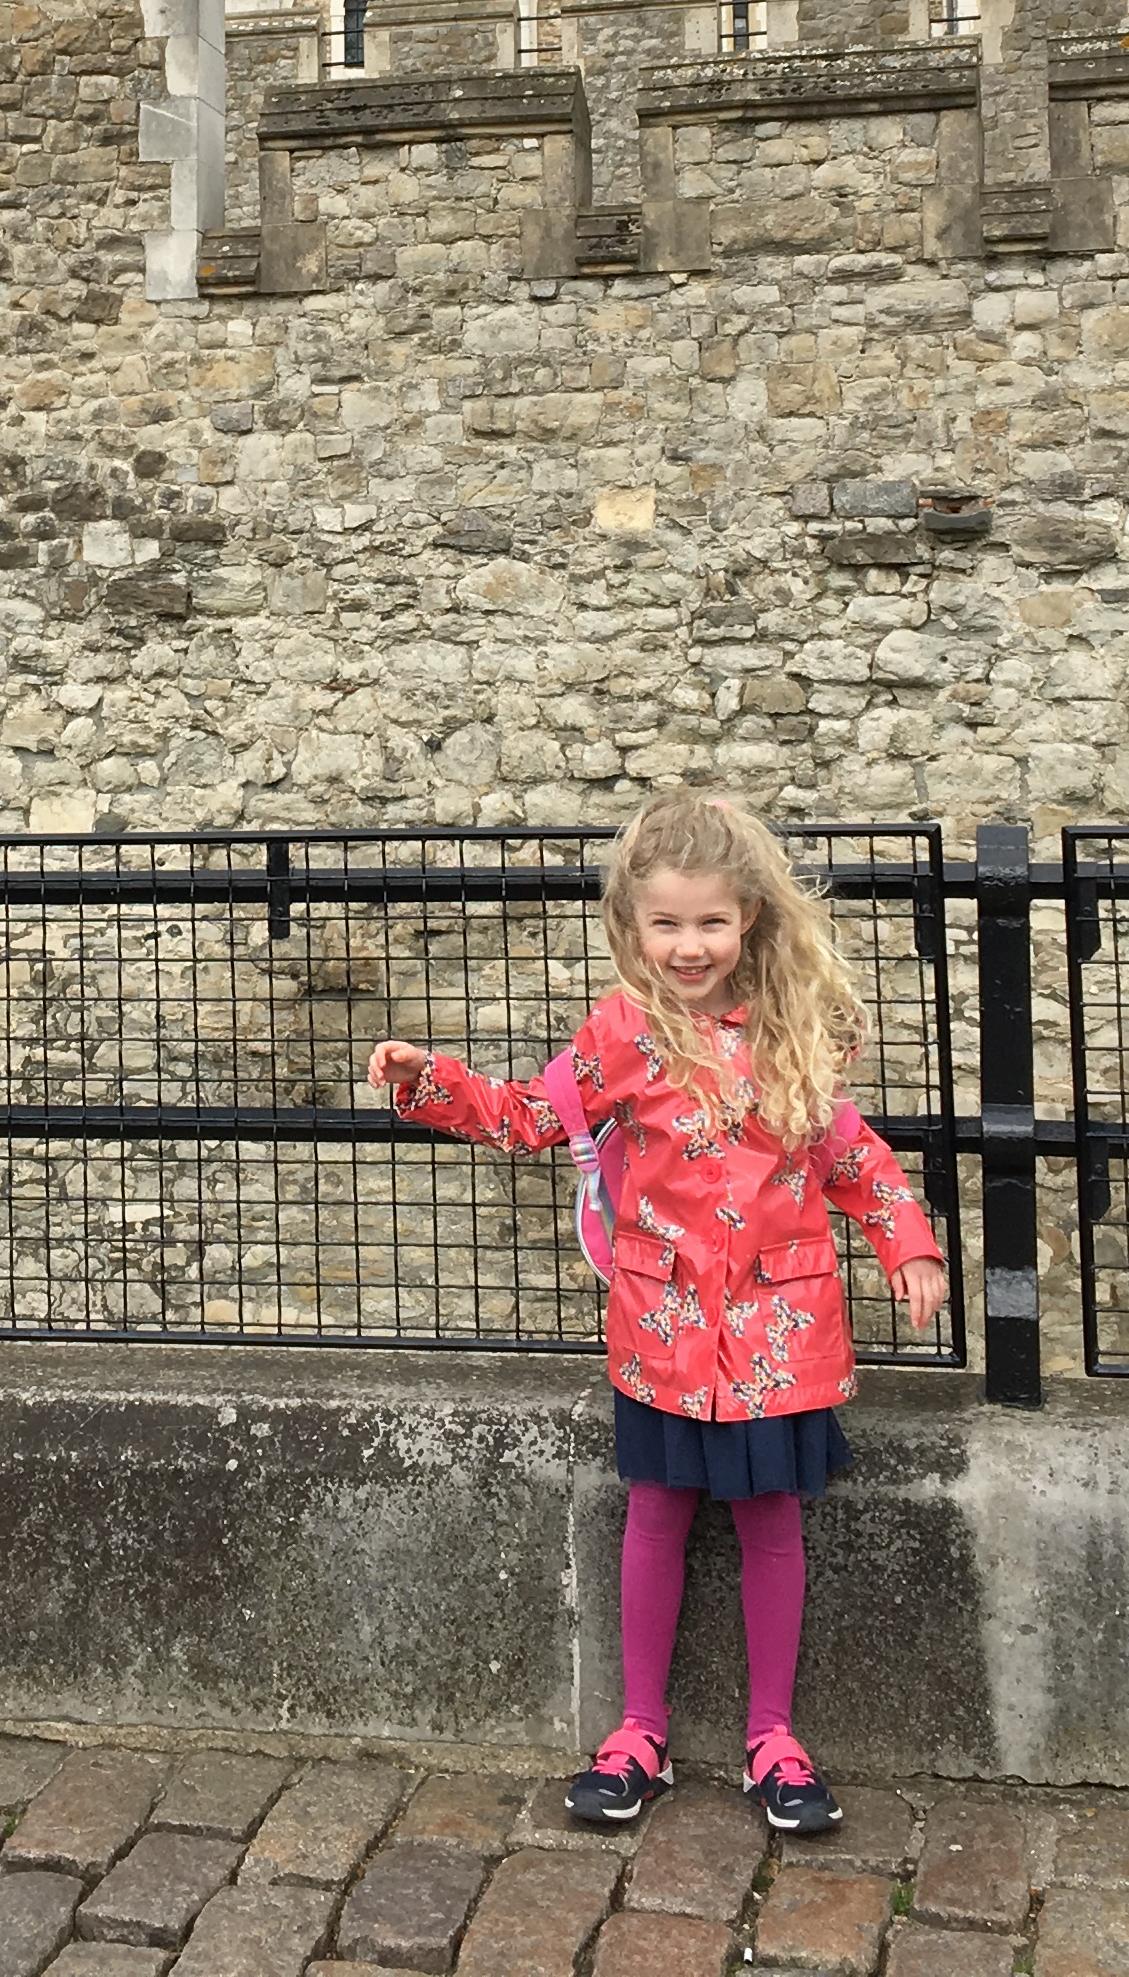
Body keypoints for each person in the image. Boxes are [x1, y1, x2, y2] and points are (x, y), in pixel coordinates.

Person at [369, 788, 948, 1841]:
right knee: (658, 1521)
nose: (691, 945)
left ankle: (774, 1738)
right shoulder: (621, 1035)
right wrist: (431, 1081)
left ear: (751, 921)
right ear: (633, 928)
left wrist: (908, 1242)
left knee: (773, 1529)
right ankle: (639, 1731)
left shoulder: (793, 1033)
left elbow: (849, 1154)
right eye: (668, 924)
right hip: (666, 1330)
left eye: (711, 922)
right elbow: (531, 1116)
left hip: (779, 1337)